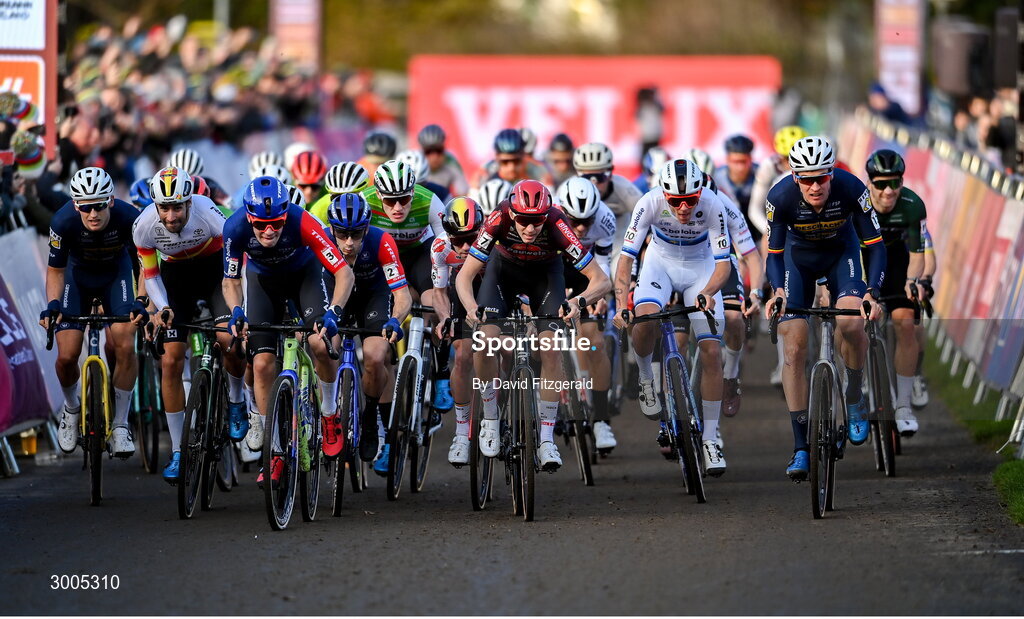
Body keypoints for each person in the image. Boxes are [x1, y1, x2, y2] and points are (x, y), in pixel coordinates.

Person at [455, 180, 611, 470]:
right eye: (524, 220)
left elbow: (602, 280)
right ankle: (490, 417)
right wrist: (471, 308)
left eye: (536, 221)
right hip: (503, 274)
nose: (530, 228)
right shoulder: (498, 217)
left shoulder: (556, 222)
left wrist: (579, 302)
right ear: (513, 214)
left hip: (546, 277)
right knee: (486, 341)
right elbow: (464, 276)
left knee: (551, 348)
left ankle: (547, 440)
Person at [762, 136, 885, 481]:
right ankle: (801, 445)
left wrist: (871, 293)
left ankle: (855, 392)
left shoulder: (852, 189)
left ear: (832, 173)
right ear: (794, 177)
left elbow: (874, 246)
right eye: (806, 178)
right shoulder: (779, 197)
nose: (815, 186)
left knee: (851, 323)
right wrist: (777, 291)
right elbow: (773, 255)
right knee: (794, 344)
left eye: (821, 177)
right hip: (796, 261)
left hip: (840, 256)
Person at [222, 176, 355, 487]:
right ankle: (275, 445)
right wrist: (236, 311)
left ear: (286, 215)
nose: (269, 231)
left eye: (277, 224)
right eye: (261, 226)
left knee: (320, 345)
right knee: (262, 364)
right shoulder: (235, 227)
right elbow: (229, 279)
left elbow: (343, 273)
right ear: (249, 218)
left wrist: (334, 312)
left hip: (304, 277)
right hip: (262, 282)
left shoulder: (304, 222)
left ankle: (329, 411)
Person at [612, 159, 733, 476]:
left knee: (711, 350)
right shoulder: (649, 201)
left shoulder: (713, 204)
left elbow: (724, 266)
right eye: (675, 201)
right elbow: (626, 259)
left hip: (701, 269)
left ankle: (709, 440)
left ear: (700, 193)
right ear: (663, 194)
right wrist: (622, 301)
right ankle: (646, 378)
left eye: (690, 200)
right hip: (659, 265)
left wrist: (708, 292)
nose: (683, 207)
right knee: (645, 318)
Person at [132, 166, 247, 483]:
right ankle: (179, 451)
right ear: (156, 205)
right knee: (169, 360)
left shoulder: (207, 210)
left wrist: (237, 304)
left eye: (177, 207)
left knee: (229, 341)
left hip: (214, 273)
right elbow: (151, 275)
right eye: (164, 208)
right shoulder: (143, 225)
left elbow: (233, 257)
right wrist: (163, 307)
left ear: (189, 202)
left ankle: (236, 401)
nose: (171, 216)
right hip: (176, 280)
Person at [39, 167, 146, 458]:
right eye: (85, 207)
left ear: (110, 200)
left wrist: (142, 300)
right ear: (76, 205)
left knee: (125, 343)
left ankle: (121, 423)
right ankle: (71, 409)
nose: (93, 213)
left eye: (99, 205)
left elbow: (145, 264)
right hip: (78, 278)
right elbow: (55, 270)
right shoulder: (62, 221)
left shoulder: (130, 218)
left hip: (117, 276)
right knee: (66, 356)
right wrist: (53, 305)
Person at [324, 193, 411, 461]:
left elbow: (402, 294)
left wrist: (396, 319)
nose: (349, 242)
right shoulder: (322, 240)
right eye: (342, 233)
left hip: (373, 296)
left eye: (357, 233)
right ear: (331, 229)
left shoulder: (381, 241)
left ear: (367, 227)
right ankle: (326, 413)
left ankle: (371, 413)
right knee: (325, 349)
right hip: (336, 296)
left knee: (375, 357)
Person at [864, 149, 927, 436]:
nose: (889, 191)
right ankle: (859, 381)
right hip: (861, 265)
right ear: (869, 183)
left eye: (895, 183)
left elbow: (918, 253)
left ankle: (902, 405)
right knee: (852, 324)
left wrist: (912, 281)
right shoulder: (857, 205)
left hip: (898, 263)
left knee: (905, 323)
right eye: (880, 184)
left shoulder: (913, 205)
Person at [556, 177, 619, 451]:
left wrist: (597, 298)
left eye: (587, 221)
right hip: (553, 268)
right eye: (575, 221)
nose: (581, 228)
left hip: (587, 269)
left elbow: (602, 269)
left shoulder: (605, 221)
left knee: (595, 341)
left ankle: (601, 419)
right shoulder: (550, 218)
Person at [429, 197, 487, 465]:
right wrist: (445, 319)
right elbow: (440, 292)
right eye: (458, 240)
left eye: (471, 239)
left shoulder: (493, 242)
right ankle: (462, 431)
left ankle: (501, 412)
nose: (465, 247)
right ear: (448, 235)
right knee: (462, 356)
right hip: (459, 295)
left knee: (504, 350)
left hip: (490, 290)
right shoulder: (440, 247)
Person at [572, 142, 643, 218]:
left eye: (599, 177)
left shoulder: (626, 192)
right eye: (586, 177)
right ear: (577, 176)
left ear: (610, 174)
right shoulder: (568, 190)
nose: (594, 184)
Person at [471, 128, 552, 190]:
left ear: (524, 156)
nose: (511, 167)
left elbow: (550, 199)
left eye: (516, 161)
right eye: (505, 162)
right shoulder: (485, 172)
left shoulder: (539, 171)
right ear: (497, 157)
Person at [713, 135, 760, 242]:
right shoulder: (717, 178)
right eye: (736, 162)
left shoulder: (761, 174)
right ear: (727, 159)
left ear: (751, 159)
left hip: (759, 233)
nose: (740, 167)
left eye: (744, 161)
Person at [416, 123, 469, 196]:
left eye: (439, 150)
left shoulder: (450, 160)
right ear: (422, 150)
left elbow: (463, 193)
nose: (434, 157)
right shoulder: (414, 162)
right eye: (428, 151)